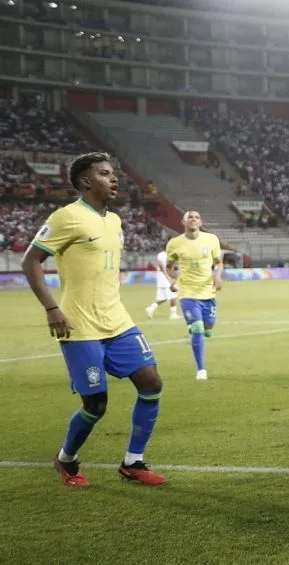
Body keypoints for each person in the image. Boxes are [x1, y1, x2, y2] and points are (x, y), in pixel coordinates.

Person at [21, 152, 166, 488]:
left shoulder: (114, 220)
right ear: (86, 181)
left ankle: (133, 462)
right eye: (104, 173)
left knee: (151, 383)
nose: (113, 179)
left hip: (118, 321)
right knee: (96, 404)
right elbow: (31, 261)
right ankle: (66, 459)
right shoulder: (66, 217)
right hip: (79, 325)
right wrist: (51, 308)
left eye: (113, 173)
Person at [166, 210, 223, 381]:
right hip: (187, 293)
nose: (193, 219)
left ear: (201, 222)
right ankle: (201, 369)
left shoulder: (211, 239)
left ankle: (197, 326)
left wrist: (218, 276)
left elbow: (219, 263)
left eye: (197, 217)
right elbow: (169, 267)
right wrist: (172, 280)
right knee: (198, 329)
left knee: (208, 329)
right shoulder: (175, 244)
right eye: (190, 217)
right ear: (183, 222)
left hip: (207, 292)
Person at [145, 249, 180, 320]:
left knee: (163, 298)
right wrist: (170, 279)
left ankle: (151, 308)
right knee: (173, 295)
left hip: (161, 278)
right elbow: (163, 268)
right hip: (165, 278)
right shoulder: (166, 255)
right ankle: (173, 314)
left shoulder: (160, 255)